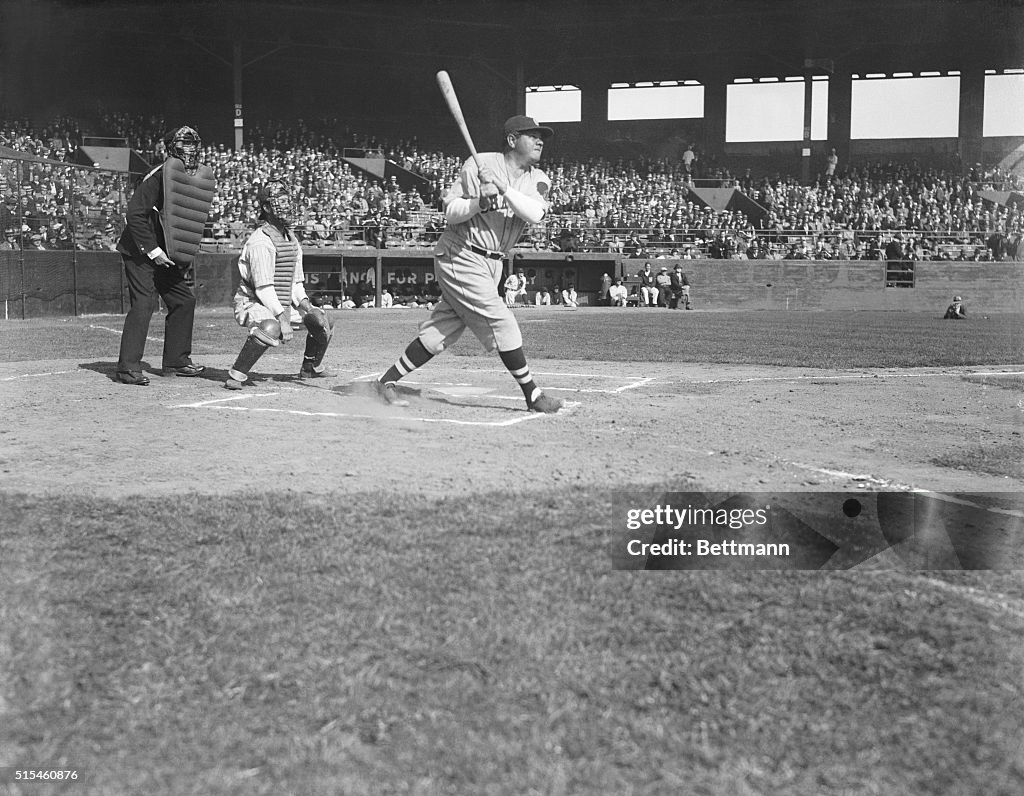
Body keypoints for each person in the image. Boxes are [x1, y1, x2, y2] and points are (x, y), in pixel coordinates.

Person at [373, 115, 563, 414]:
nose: (540, 141)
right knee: (503, 321)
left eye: (542, 137)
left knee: (441, 331)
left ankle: (386, 382)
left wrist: (500, 187)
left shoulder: (537, 178)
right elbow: (451, 211)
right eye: (532, 135)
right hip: (461, 253)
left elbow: (535, 214)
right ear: (512, 140)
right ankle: (533, 394)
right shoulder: (477, 163)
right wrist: (480, 203)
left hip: (493, 263)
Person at [115, 125, 214, 385]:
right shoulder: (160, 175)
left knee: (184, 301)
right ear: (170, 148)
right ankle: (127, 368)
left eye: (194, 145)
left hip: (164, 254)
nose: (191, 151)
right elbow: (135, 214)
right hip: (140, 251)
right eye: (185, 145)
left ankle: (176, 362)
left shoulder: (187, 177)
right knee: (144, 304)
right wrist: (154, 250)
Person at [224, 180, 334, 390]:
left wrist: (308, 308)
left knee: (323, 318)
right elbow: (263, 289)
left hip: (280, 300)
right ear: (267, 208)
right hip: (252, 301)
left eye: (287, 201)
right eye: (281, 202)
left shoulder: (291, 239)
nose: (287, 206)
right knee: (271, 327)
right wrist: (283, 320)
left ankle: (311, 367)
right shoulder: (260, 242)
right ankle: (236, 374)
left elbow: (295, 284)